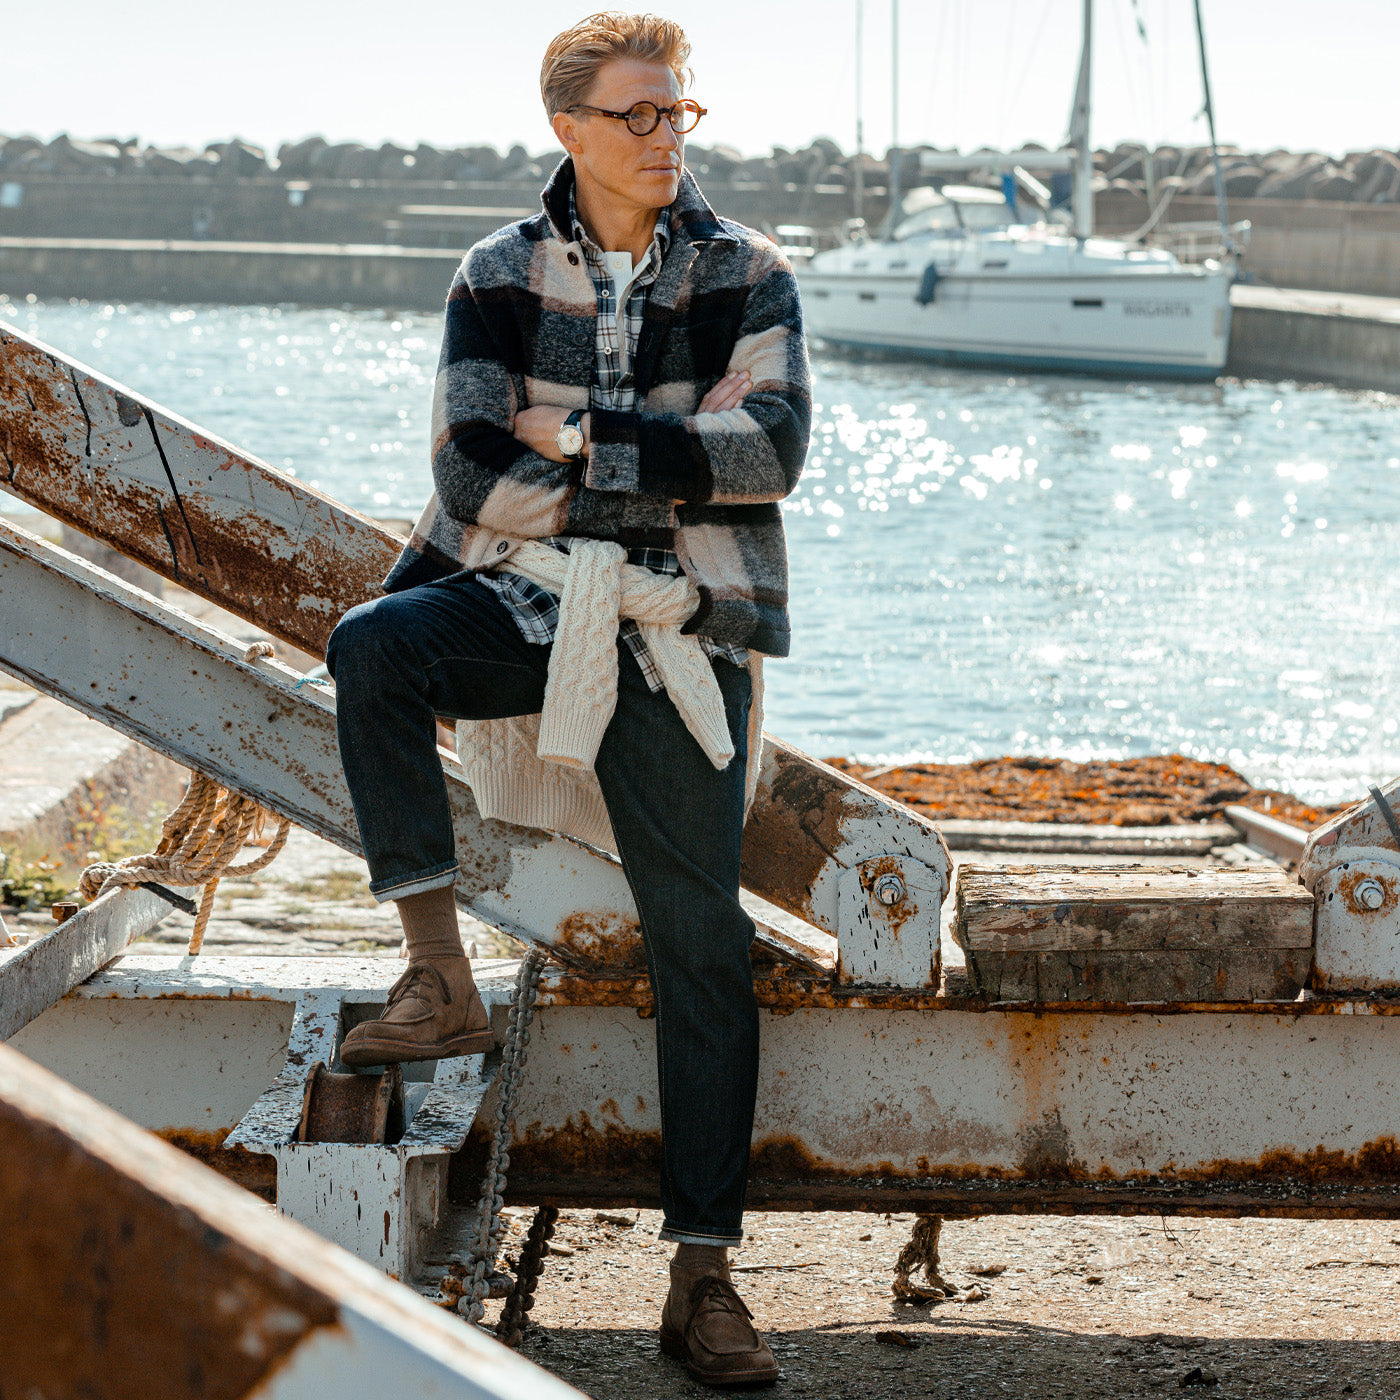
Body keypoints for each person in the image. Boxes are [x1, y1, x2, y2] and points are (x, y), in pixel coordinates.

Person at [325, 11, 810, 1386]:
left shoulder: (749, 271)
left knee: (699, 940)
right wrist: (662, 460)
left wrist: (585, 435)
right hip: (526, 597)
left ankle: (705, 1274)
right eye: (640, 116)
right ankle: (439, 974)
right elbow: (473, 476)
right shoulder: (494, 273)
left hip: (683, 621)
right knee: (377, 643)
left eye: (681, 114)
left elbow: (771, 452)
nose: (668, 137)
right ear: (571, 129)